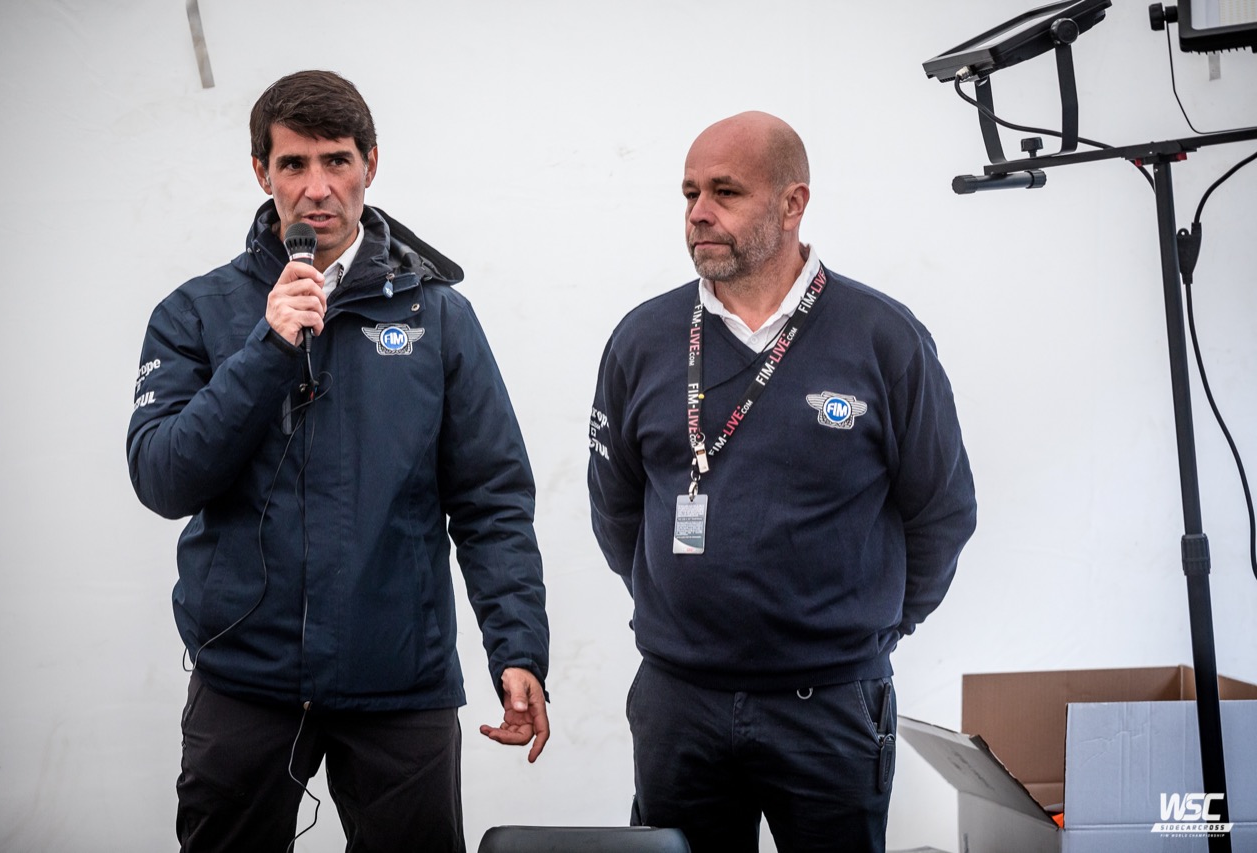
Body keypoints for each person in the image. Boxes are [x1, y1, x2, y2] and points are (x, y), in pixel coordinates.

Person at [127, 70, 550, 853]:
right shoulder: (196, 312)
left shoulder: (437, 316)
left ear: (370, 165)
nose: (317, 187)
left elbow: (491, 498)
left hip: (400, 682)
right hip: (245, 679)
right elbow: (163, 477)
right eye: (293, 164)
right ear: (262, 172)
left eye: (337, 161)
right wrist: (267, 347)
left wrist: (517, 645)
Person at [587, 111, 976, 853]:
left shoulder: (883, 338)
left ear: (793, 204)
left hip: (829, 704)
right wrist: (681, 603)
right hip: (679, 702)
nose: (699, 213)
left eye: (725, 192)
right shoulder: (643, 338)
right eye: (690, 193)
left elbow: (942, 512)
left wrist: (870, 629)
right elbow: (616, 507)